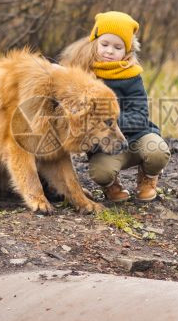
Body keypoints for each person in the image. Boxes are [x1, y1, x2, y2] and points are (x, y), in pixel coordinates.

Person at [60, 11, 170, 202]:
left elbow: (140, 117)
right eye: (105, 44)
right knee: (100, 173)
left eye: (117, 47)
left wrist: (108, 119)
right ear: (94, 43)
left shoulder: (132, 77)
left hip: (138, 138)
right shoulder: (84, 74)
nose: (110, 51)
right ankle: (112, 186)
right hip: (106, 146)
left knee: (158, 152)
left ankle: (148, 178)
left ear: (127, 51)